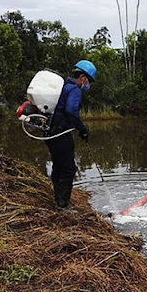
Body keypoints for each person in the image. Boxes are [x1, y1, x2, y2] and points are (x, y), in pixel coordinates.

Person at [47, 60, 96, 209]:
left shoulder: (64, 87)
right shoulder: (74, 89)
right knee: (68, 169)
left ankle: (58, 199)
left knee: (58, 166)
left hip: (51, 133)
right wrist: (82, 129)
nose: (87, 84)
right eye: (88, 80)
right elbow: (71, 110)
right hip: (61, 133)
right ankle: (63, 205)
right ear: (82, 77)